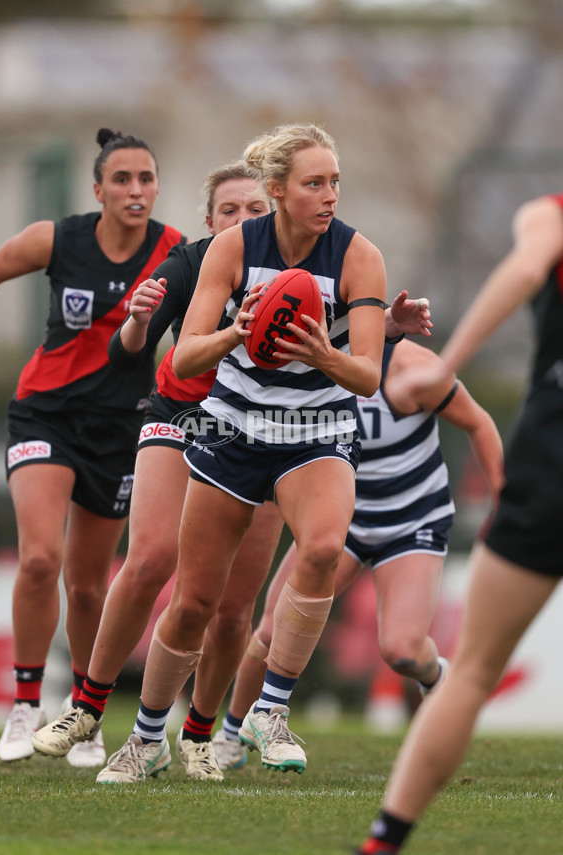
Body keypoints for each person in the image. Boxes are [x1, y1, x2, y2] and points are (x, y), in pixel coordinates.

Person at [31, 156, 432, 783]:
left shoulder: (346, 255)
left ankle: (206, 732)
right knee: (154, 565)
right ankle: (91, 706)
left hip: (293, 428)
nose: (245, 220)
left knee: (235, 604)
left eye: (253, 209)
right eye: (231, 210)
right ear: (211, 219)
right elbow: (142, 353)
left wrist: (377, 332)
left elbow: (347, 354)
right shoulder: (203, 258)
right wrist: (140, 319)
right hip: (193, 414)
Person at [0, 128, 187, 766]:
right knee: (39, 558)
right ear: (98, 189)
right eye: (122, 179)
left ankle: (81, 719)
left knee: (90, 586)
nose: (135, 190)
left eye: (145, 179)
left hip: (121, 432)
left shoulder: (176, 252)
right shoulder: (58, 239)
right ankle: (25, 703)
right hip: (46, 414)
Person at [356, 192, 563, 854]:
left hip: (552, 454)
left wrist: (450, 361)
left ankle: (384, 840)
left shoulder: (548, 213)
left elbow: (527, 271)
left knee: (471, 671)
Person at [212, 337, 503, 770]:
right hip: (341, 517)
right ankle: (232, 735)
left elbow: (479, 423)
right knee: (271, 629)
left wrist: (502, 500)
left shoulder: (410, 370)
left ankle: (436, 675)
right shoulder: (308, 360)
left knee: (402, 650)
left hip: (412, 521)